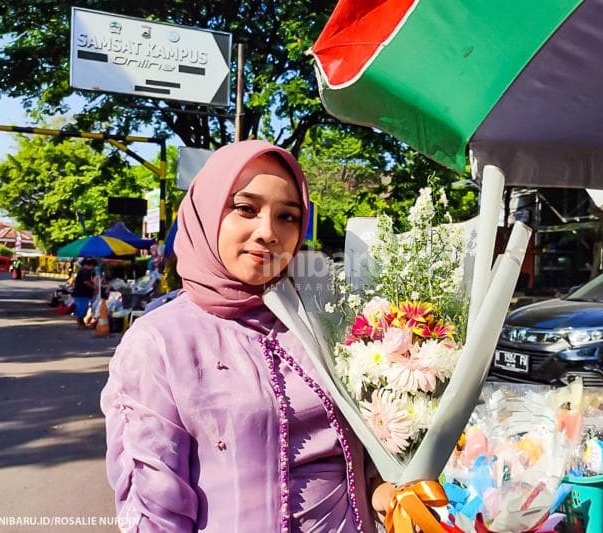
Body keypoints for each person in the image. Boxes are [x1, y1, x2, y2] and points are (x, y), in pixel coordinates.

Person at [100, 141, 390, 532]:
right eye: (245, 209)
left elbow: (362, 440)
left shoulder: (320, 321)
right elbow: (155, 510)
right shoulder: (160, 342)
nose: (268, 233)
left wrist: (381, 482)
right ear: (206, 214)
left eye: (287, 216)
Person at [71, 258, 96, 328]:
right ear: (90, 265)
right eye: (93, 266)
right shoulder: (85, 271)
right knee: (82, 309)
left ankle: (81, 323)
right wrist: (94, 287)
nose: (93, 268)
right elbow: (86, 282)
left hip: (81, 293)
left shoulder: (82, 270)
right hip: (81, 293)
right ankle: (80, 323)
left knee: (82, 308)